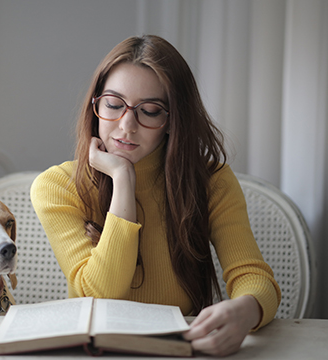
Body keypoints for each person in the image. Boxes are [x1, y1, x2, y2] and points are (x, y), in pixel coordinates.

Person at [31, 35, 281, 356]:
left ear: (172, 120)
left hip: (181, 349)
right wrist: (123, 179)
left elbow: (253, 275)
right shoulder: (57, 186)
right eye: (113, 104)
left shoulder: (212, 181)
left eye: (149, 110)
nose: (126, 125)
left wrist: (246, 311)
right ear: (95, 106)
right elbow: (98, 293)